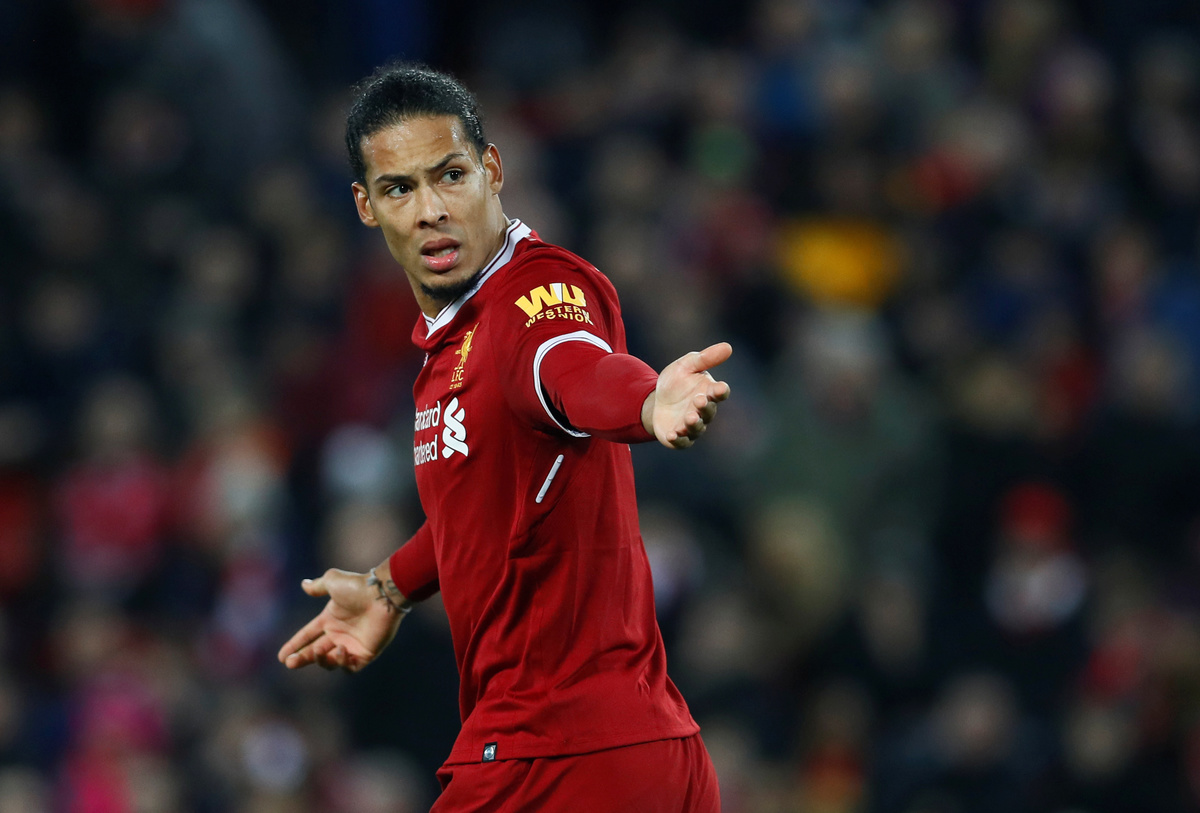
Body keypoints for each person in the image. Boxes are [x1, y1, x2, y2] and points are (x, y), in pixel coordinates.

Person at [278, 62, 728, 812]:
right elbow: (487, 502)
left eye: (450, 175)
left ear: (492, 169)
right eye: (399, 189)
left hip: (556, 759)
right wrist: (390, 586)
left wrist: (649, 403)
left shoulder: (534, 296)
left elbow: (573, 367)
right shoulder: (454, 336)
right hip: (631, 749)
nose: (431, 210)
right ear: (365, 206)